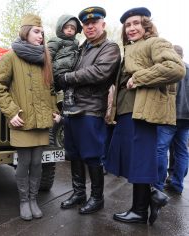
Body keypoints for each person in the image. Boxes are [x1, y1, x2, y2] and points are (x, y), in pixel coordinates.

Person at [105, 7, 186, 225]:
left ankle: (140, 210)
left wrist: (140, 77)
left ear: (146, 26)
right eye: (127, 25)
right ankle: (153, 195)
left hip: (141, 113)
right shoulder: (130, 48)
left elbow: (175, 68)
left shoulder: (154, 42)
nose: (131, 28)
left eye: (136, 23)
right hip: (125, 112)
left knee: (139, 161)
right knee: (133, 160)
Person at [0, 14, 61, 221]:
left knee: (37, 163)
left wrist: (54, 110)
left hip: (41, 121)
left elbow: (50, 90)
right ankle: (24, 201)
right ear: (25, 32)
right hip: (22, 120)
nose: (41, 36)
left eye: (42, 32)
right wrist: (11, 112)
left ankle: (33, 200)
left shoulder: (45, 58)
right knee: (24, 162)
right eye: (36, 32)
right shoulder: (10, 57)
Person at [56, 6, 121, 214]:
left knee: (92, 156)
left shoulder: (109, 47)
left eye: (94, 22)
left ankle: (97, 197)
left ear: (103, 24)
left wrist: (67, 78)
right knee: (73, 154)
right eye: (86, 24)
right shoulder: (81, 48)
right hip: (70, 108)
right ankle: (79, 193)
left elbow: (99, 72)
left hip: (90, 111)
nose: (90, 26)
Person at [154, 45, 189, 195]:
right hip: (186, 118)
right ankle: (177, 184)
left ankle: (157, 186)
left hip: (169, 116)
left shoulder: (170, 68)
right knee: (182, 151)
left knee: (160, 149)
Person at [47, 14, 82, 115]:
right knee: (69, 86)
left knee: (72, 85)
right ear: (60, 28)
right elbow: (48, 56)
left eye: (72, 28)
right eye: (66, 27)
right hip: (59, 70)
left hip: (69, 70)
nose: (70, 30)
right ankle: (68, 105)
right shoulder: (56, 40)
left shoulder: (76, 43)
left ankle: (66, 106)